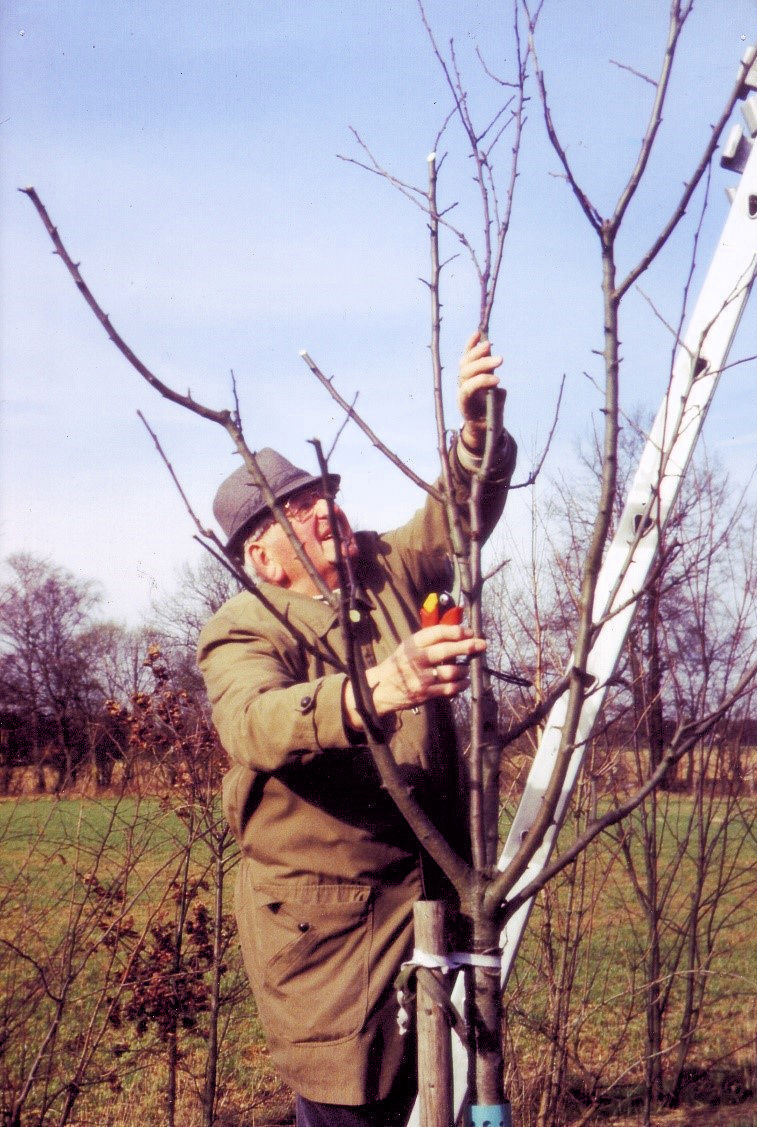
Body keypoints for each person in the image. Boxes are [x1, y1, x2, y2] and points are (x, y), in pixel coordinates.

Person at [197, 332, 516, 1127]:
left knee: (445, 1098)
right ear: (263, 557)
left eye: (323, 493)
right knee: (354, 1108)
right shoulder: (241, 628)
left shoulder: (386, 567)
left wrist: (476, 435)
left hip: (439, 904)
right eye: (299, 509)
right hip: (332, 939)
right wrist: (385, 683)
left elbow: (457, 521)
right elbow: (253, 720)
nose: (325, 508)